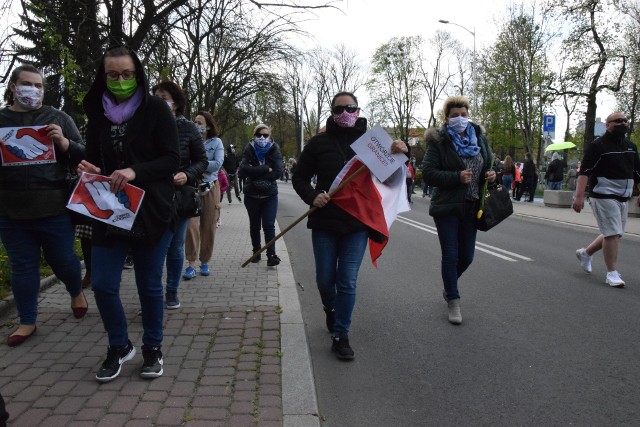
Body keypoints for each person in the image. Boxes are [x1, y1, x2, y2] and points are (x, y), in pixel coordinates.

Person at [79, 45, 179, 381]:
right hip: (110, 210)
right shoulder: (97, 112)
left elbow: (171, 159)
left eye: (127, 74)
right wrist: (91, 167)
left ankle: (152, 348)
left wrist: (135, 171)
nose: (120, 80)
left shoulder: (156, 110)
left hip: (151, 210)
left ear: (137, 74)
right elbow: (96, 157)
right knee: (104, 284)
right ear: (103, 76)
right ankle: (120, 346)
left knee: (149, 286)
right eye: (113, 75)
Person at [292, 91, 407, 360]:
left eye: (351, 107)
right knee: (324, 280)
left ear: (358, 109)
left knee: (347, 281)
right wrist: (312, 196)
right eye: (339, 109)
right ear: (332, 113)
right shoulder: (318, 143)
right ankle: (330, 309)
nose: (345, 113)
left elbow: (390, 176)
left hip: (357, 222)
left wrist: (403, 153)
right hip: (325, 220)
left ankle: (340, 334)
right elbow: (300, 177)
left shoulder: (373, 143)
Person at [0, 64, 87, 347]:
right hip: (11, 211)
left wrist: (63, 142)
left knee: (64, 261)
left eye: (39, 86)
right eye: (27, 84)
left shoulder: (57, 117)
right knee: (22, 267)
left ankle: (75, 290)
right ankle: (27, 321)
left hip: (53, 208)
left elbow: (83, 155)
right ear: (13, 87)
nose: (33, 90)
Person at [422, 96, 496, 325]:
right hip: (447, 207)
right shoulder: (440, 142)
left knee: (467, 256)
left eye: (464, 114)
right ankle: (453, 299)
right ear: (447, 118)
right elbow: (428, 173)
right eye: (455, 116)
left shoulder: (479, 138)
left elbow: (489, 164)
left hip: (472, 206)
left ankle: (449, 285)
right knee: (451, 254)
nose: (460, 119)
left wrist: (492, 175)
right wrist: (456, 177)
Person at [152, 81, 207, 309]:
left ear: (175, 102)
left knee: (174, 247)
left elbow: (202, 161)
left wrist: (187, 174)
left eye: (163, 97)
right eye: (155, 96)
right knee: (154, 246)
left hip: (180, 197)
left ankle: (171, 291)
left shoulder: (188, 128)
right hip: (153, 195)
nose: (158, 101)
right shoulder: (146, 126)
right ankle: (152, 293)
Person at [572, 112, 640, 288]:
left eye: (625, 121)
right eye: (618, 121)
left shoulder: (631, 146)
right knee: (612, 233)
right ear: (608, 125)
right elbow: (584, 172)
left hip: (623, 197)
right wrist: (578, 197)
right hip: (603, 194)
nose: (623, 123)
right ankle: (612, 273)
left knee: (615, 232)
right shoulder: (597, 146)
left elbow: (637, 172)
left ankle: (586, 253)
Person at [184, 110, 224, 279]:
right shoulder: (189, 141)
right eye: (194, 122)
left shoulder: (217, 142)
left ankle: (205, 262)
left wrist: (198, 164)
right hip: (191, 187)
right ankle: (191, 263)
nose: (196, 125)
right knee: (191, 227)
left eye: (199, 123)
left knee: (208, 227)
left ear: (208, 126)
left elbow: (217, 164)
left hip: (209, 188)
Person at [239, 124, 284, 266]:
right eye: (259, 135)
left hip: (270, 195)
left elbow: (278, 171)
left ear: (270, 137)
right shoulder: (248, 149)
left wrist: (256, 172)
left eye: (265, 135)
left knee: (269, 225)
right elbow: (244, 170)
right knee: (254, 225)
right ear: (254, 136)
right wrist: (265, 168)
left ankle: (271, 255)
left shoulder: (274, 149)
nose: (262, 138)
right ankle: (256, 252)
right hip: (251, 195)